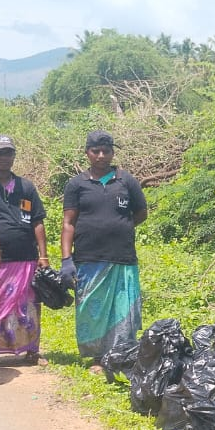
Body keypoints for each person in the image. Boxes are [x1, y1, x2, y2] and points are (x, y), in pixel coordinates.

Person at [60, 130, 148, 364]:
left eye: (106, 151)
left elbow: (141, 213)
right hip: (88, 259)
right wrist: (66, 259)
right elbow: (68, 223)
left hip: (122, 259)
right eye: (95, 151)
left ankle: (120, 357)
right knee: (91, 310)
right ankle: (98, 357)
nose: (101, 155)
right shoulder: (76, 184)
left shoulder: (126, 181)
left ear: (112, 152)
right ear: (87, 153)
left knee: (123, 311)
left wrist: (121, 227)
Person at [0, 134, 49, 367]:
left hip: (26, 258)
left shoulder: (25, 187)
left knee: (29, 304)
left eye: (8, 153)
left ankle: (31, 349)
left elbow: (37, 221)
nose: (4, 158)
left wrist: (43, 255)